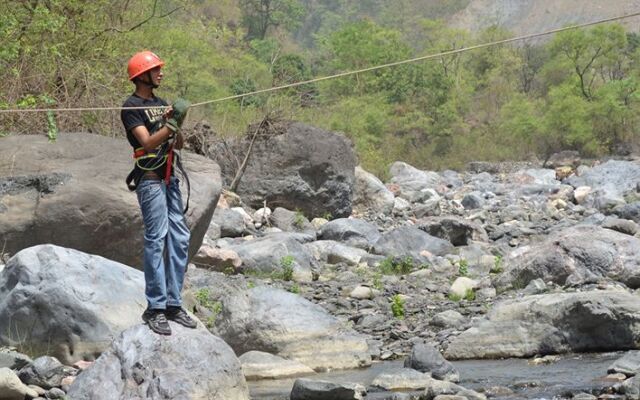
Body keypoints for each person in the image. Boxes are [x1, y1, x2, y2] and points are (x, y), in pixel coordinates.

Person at [121, 50, 196, 335]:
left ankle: (174, 304)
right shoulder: (131, 107)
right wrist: (169, 124)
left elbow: (178, 145)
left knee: (179, 237)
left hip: (169, 178)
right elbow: (148, 143)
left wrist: (177, 122)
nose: (161, 73)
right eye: (156, 70)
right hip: (149, 180)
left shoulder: (161, 103)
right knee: (156, 238)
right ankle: (155, 307)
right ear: (142, 75)